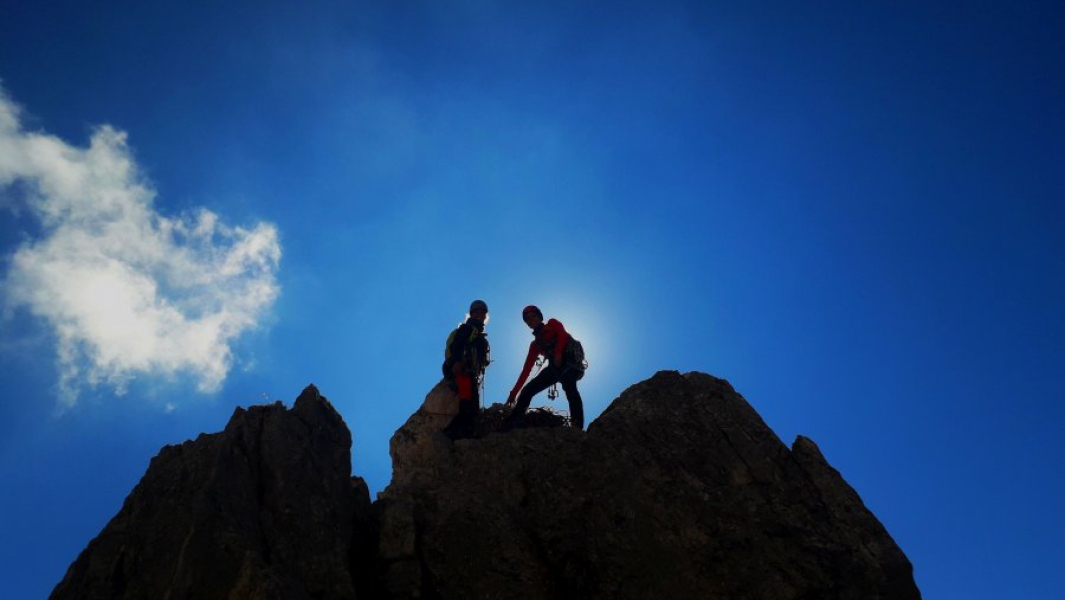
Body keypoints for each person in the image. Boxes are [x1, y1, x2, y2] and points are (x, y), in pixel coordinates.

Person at [504, 305, 584, 430]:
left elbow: (562, 334)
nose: (531, 320)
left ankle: (577, 426)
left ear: (540, 317)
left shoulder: (552, 323)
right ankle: (513, 424)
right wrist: (514, 393)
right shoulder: (535, 345)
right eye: (528, 320)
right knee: (527, 391)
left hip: (570, 362)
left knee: (570, 388)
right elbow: (526, 371)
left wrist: (557, 353)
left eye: (533, 316)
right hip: (555, 368)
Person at [442, 299, 491, 439]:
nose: (479, 314)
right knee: (467, 405)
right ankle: (451, 435)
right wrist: (457, 362)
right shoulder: (468, 328)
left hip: (468, 371)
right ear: (471, 314)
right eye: (476, 311)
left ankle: (462, 435)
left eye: (482, 312)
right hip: (461, 368)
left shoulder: (478, 334)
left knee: (473, 408)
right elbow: (457, 345)